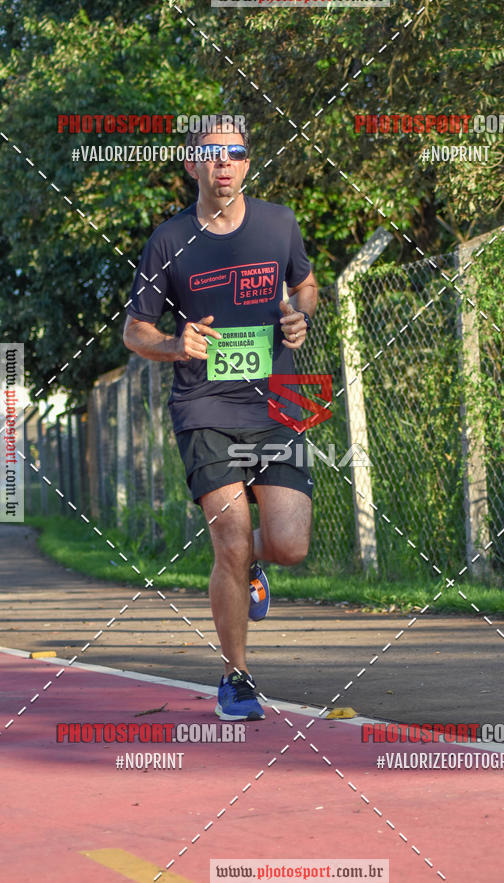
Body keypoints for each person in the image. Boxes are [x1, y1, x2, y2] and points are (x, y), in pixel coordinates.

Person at [123, 115, 318, 721]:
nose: (224, 161)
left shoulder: (279, 223)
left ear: (247, 162)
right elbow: (135, 330)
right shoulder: (168, 241)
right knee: (229, 540)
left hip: (277, 402)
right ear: (192, 165)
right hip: (203, 406)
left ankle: (251, 564)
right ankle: (236, 678)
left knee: (289, 545)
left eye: (235, 151)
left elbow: (306, 285)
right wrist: (173, 344)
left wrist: (298, 314)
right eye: (212, 153)